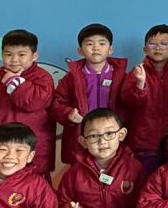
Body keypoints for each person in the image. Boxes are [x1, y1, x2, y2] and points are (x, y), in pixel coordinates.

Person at [51, 23, 129, 166]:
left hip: (112, 137)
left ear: (110, 49)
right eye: (89, 43)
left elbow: (132, 103)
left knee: (114, 171)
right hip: (81, 137)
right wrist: (68, 114)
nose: (96, 47)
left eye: (102, 43)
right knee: (81, 174)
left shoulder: (122, 76)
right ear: (80, 50)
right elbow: (57, 104)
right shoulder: (71, 78)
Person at [0, 29, 56, 178]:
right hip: (4, 149)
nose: (14, 59)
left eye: (21, 54)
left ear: (34, 56)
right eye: (8, 54)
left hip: (32, 151)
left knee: (34, 188)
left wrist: (15, 83)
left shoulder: (42, 78)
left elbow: (33, 102)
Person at [120, 24, 168, 173]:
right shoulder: (136, 73)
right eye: (152, 44)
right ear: (145, 49)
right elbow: (128, 101)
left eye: (164, 44)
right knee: (143, 183)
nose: (158, 48)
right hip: (143, 144)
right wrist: (140, 84)